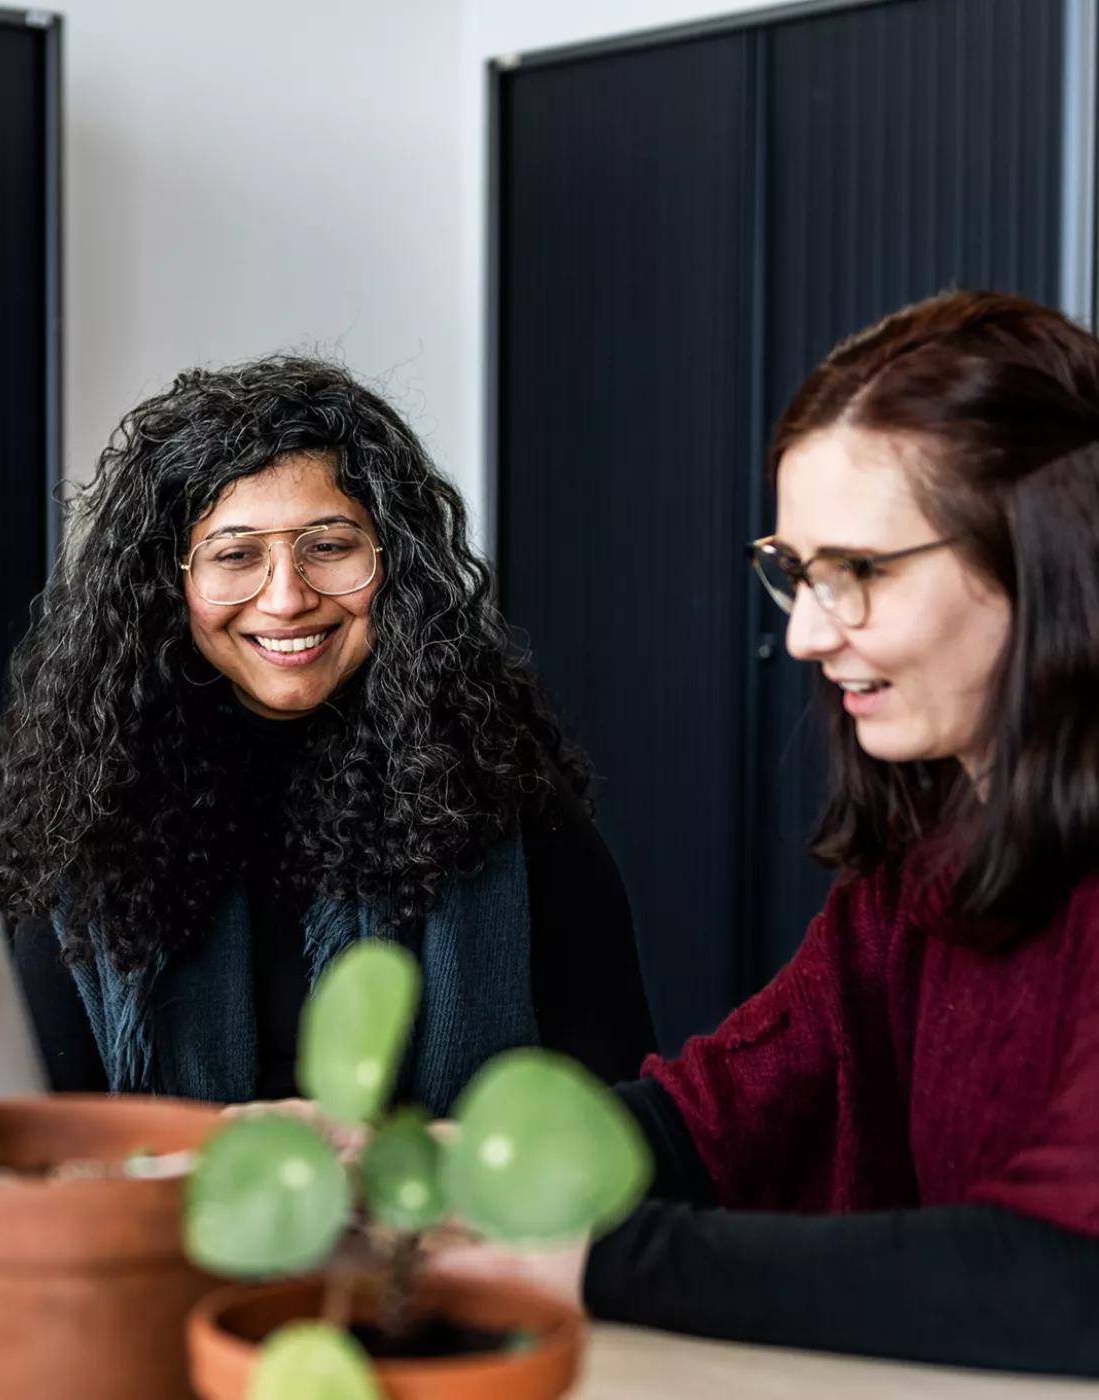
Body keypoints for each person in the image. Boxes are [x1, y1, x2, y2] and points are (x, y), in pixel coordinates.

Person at [432, 291, 1099, 1376]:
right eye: (793, 570)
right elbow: (714, 1117)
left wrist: (594, 1259)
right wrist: (429, 1165)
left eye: (860, 572)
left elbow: (1067, 1274)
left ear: (1047, 554)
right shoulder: (924, 848)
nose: (801, 632)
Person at [0, 355, 656, 1114]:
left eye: (329, 546)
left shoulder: (501, 788)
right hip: (158, 1223)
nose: (287, 597)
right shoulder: (98, 798)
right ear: (168, 586)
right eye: (235, 555)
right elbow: (46, 1124)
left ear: (392, 560)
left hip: (434, 1227)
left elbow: (610, 1110)